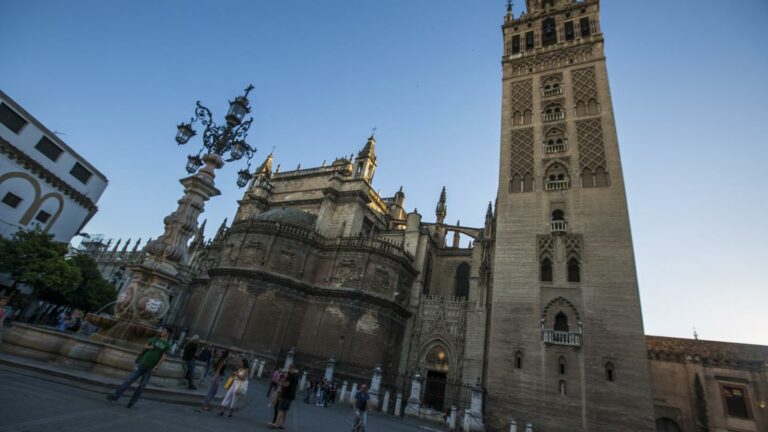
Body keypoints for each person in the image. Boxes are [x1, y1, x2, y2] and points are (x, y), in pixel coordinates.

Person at [106, 327, 172, 408]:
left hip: (150, 367)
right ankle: (114, 397)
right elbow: (146, 345)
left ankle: (132, 402)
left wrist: (156, 367)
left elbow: (163, 357)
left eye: (164, 331)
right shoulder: (154, 338)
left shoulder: (168, 345)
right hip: (142, 363)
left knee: (142, 385)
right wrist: (148, 347)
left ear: (168, 333)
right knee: (128, 380)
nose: (162, 331)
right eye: (162, 330)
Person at [270, 363, 298, 429]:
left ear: (291, 368)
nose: (288, 370)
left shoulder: (291, 376)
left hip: (286, 394)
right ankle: (282, 424)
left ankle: (276, 424)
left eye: (289, 368)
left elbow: (287, 384)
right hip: (291, 395)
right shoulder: (297, 375)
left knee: (281, 410)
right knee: (285, 411)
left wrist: (280, 383)